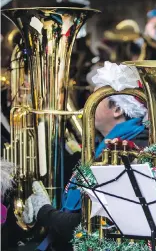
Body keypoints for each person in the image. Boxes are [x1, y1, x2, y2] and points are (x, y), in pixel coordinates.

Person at [21, 62, 149, 251]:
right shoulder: (103, 144)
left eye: (95, 98)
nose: (87, 104)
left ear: (117, 110)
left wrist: (44, 212)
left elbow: (87, 224)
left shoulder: (125, 151)